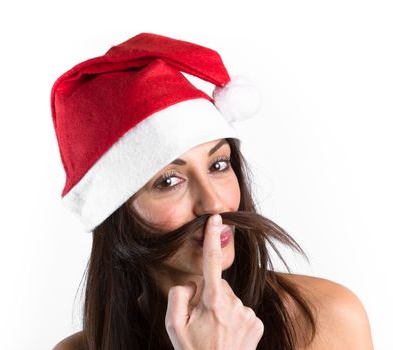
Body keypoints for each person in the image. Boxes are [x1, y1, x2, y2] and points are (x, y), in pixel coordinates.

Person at [50, 32, 373, 350]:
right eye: (169, 181)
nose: (214, 203)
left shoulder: (324, 316)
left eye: (218, 165)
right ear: (116, 211)